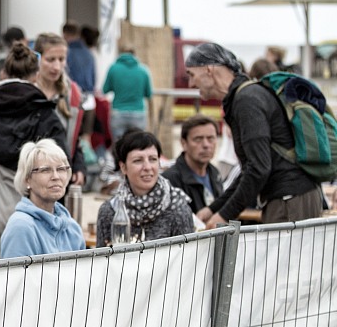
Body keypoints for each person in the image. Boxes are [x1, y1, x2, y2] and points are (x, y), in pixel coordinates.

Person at [185, 42, 324, 227]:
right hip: (288, 198)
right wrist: (214, 209)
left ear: (208, 70)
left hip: (289, 200)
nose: (191, 84)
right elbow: (250, 169)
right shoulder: (245, 96)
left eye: (191, 74)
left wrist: (224, 215)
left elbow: (259, 168)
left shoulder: (246, 101)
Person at [0, 43, 67, 255]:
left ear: (3, 73)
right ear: (36, 75)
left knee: (2, 270)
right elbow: (63, 165)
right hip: (41, 217)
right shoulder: (46, 115)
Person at [96, 130, 195, 246]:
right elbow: (102, 256)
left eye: (153, 159)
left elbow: (186, 255)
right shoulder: (110, 211)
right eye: (138, 160)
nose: (147, 167)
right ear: (123, 167)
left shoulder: (177, 208)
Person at [0, 140, 86, 259]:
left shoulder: (72, 228)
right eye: (45, 170)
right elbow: (16, 272)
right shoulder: (21, 227)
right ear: (27, 179)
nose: (56, 176)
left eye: (61, 169)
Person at [33, 31, 85, 184]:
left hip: (61, 178)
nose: (56, 66)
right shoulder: (26, 91)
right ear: (37, 58)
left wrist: (79, 166)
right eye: (50, 60)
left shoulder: (72, 94)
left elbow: (75, 138)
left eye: (61, 59)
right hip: (31, 177)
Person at [162, 116, 224, 213]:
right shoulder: (170, 180)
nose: (206, 145)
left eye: (211, 138)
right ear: (184, 143)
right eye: (198, 139)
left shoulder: (214, 173)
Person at [102, 45, 153, 140]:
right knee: (137, 145)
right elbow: (149, 94)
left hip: (118, 112)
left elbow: (105, 90)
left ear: (120, 53)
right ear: (134, 55)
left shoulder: (113, 68)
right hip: (138, 113)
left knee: (119, 145)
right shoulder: (143, 70)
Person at [62, 21, 96, 98]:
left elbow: (66, 76)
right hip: (89, 96)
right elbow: (93, 77)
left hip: (73, 96)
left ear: (65, 34)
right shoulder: (89, 53)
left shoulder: (67, 52)